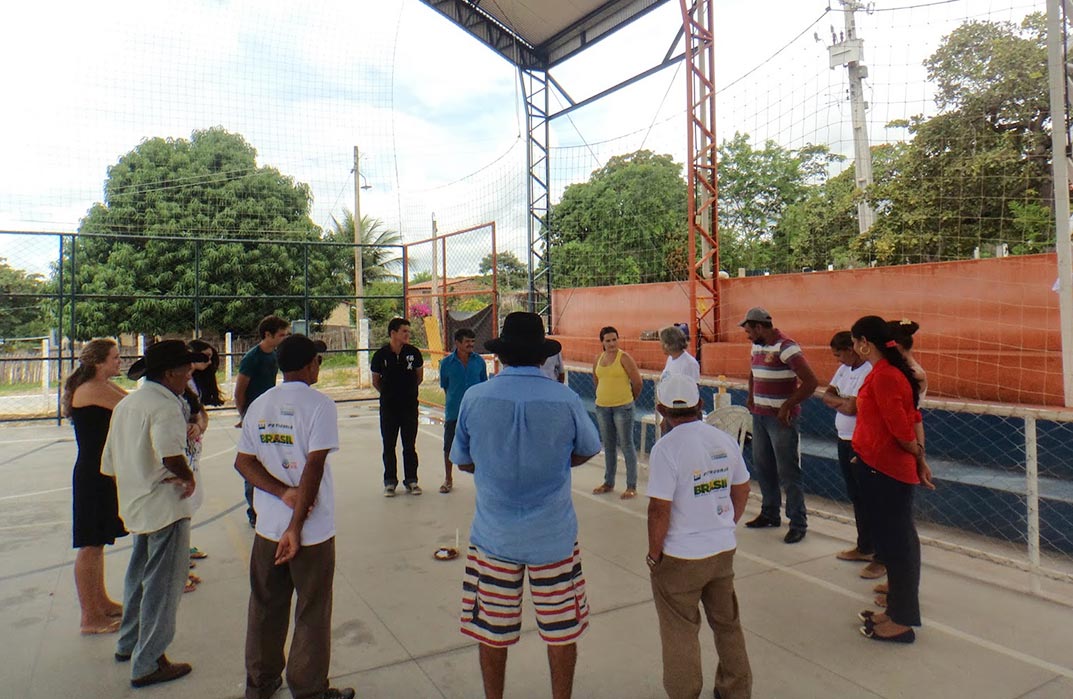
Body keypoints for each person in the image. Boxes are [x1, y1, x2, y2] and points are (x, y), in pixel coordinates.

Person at [451, 312, 602, 699]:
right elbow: (588, 448)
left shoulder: (475, 397)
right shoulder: (565, 398)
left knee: (492, 632)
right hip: (553, 536)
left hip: (493, 536)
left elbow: (462, 459)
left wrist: (493, 465)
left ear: (500, 356)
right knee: (561, 631)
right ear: (541, 357)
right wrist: (553, 461)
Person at [234, 335, 354, 699]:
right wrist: (297, 526)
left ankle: (261, 683)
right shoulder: (319, 405)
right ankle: (309, 688)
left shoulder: (260, 405)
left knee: (265, 606)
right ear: (309, 364)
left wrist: (279, 494)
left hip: (268, 528)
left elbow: (243, 463)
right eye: (317, 361)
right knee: (312, 608)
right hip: (310, 532)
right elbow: (313, 468)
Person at [101, 340, 206, 688]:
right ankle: (148, 662)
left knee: (138, 573)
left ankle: (128, 641)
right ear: (169, 373)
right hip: (164, 505)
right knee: (163, 585)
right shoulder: (165, 408)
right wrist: (188, 478)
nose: (189, 375)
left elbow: (110, 462)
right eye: (186, 370)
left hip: (135, 502)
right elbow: (170, 455)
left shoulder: (128, 404)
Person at [646, 374, 752, 699]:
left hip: (680, 556)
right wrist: (726, 524)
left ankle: (684, 692)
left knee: (680, 630)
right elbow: (742, 487)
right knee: (727, 624)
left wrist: (654, 553)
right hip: (721, 552)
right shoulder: (723, 440)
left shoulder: (665, 448)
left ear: (662, 409)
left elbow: (659, 510)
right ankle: (736, 690)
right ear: (701, 404)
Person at [850, 316, 935, 644]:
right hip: (877, 467)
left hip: (886, 473)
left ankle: (902, 620)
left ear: (864, 343)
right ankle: (895, 610)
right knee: (893, 543)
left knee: (899, 546)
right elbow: (908, 420)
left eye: (856, 341)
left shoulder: (886, 377)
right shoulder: (886, 374)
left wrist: (916, 455)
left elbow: (902, 429)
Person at [64, 338, 128, 635]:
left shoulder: (103, 385)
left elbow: (126, 396)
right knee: (90, 544)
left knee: (98, 541)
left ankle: (101, 601)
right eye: (115, 357)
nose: (119, 361)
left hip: (102, 471)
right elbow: (131, 406)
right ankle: (90, 617)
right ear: (99, 362)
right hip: (92, 474)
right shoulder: (92, 389)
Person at [740, 307, 818, 544]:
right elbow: (754, 373)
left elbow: (811, 382)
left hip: (781, 420)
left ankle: (798, 522)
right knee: (763, 466)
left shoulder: (787, 347)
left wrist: (787, 406)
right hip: (760, 415)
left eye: (749, 331)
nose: (748, 336)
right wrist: (752, 396)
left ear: (760, 327)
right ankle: (770, 512)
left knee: (788, 471)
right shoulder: (757, 346)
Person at [822, 332, 883, 578]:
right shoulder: (844, 370)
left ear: (852, 348)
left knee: (871, 498)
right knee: (856, 496)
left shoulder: (868, 371)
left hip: (862, 443)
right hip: (843, 440)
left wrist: (841, 402)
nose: (837, 360)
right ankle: (865, 545)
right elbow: (827, 395)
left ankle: (882, 555)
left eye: (839, 355)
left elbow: (853, 407)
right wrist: (841, 402)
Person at [235, 315, 291, 526]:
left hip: (271, 416)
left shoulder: (276, 356)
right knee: (252, 463)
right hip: (254, 417)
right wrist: (245, 417)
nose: (285, 338)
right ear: (268, 335)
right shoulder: (252, 358)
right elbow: (240, 392)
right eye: (281, 335)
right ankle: (253, 511)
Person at [371, 317, 424, 496]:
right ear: (393, 333)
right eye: (404, 331)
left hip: (409, 407)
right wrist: (389, 394)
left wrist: (407, 392)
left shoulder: (414, 353)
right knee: (389, 445)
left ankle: (412, 480)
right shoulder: (380, 355)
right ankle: (390, 482)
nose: (407, 334)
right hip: (389, 408)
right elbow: (376, 381)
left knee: (409, 445)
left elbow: (419, 377)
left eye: (409, 331)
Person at [591, 326, 643, 499]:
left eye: (614, 339)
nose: (612, 343)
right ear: (602, 342)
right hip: (602, 407)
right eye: (608, 340)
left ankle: (631, 485)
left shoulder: (625, 358)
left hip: (623, 407)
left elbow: (637, 382)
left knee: (627, 445)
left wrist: (628, 400)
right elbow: (596, 380)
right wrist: (602, 397)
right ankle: (608, 482)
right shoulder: (598, 358)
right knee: (609, 445)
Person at [438, 328, 488, 493]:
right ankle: (448, 479)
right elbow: (446, 386)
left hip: (476, 412)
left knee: (480, 446)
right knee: (449, 446)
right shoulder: (446, 364)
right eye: (467, 341)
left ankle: (483, 480)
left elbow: (483, 384)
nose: (470, 345)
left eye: (472, 342)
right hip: (454, 412)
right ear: (457, 343)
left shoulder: (479, 362)